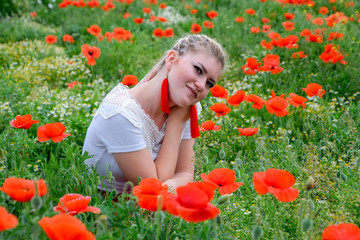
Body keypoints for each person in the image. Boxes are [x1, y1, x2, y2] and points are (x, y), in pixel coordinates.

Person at [83, 34, 227, 194]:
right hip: (106, 211)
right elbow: (154, 190)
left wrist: (167, 189)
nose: (201, 85)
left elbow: (186, 174)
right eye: (198, 70)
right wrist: (176, 123)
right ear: (171, 59)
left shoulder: (185, 104)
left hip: (150, 211)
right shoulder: (120, 114)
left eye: (209, 83)